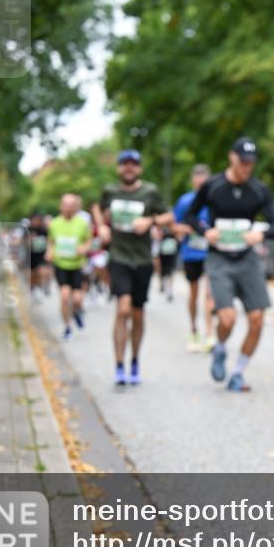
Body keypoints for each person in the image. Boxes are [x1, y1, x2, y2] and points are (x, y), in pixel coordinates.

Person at [185, 137, 274, 392]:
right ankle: (220, 348)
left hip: (247, 258)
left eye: (251, 163)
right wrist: (205, 231)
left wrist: (261, 234)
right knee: (227, 319)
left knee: (257, 319)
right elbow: (190, 215)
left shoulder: (258, 190)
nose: (246, 167)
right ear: (232, 157)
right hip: (219, 258)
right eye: (243, 162)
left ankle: (238, 372)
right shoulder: (213, 186)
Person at [92, 149, 174, 386]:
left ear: (139, 168)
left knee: (138, 314)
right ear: (119, 167)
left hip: (143, 260)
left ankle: (135, 360)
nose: (129, 168)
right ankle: (119, 364)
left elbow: (169, 217)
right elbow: (97, 207)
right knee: (123, 309)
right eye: (124, 164)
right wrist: (102, 226)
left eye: (133, 164)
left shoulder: (150, 192)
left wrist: (150, 220)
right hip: (119, 258)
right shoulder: (110, 191)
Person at [173, 164, 217, 352]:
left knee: (210, 294)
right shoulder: (185, 201)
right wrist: (187, 229)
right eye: (198, 183)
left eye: (203, 184)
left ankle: (209, 334)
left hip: (210, 252)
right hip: (191, 252)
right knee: (194, 293)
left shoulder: (214, 200)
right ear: (193, 182)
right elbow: (174, 226)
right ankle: (193, 330)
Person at [46, 194, 92, 339]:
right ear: (60, 206)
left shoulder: (82, 223)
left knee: (77, 299)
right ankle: (67, 327)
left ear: (76, 207)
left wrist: (84, 248)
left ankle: (77, 311)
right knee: (65, 297)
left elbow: (89, 241)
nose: (67, 208)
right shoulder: (54, 223)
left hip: (77, 265)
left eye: (70, 205)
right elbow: (51, 241)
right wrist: (49, 251)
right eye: (65, 205)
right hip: (61, 264)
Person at [27, 213, 50, 303]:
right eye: (34, 220)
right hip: (30, 256)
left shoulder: (44, 231)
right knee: (32, 276)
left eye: (38, 220)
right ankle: (32, 290)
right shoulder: (28, 230)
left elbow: (50, 241)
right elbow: (22, 242)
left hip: (41, 256)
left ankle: (39, 289)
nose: (36, 222)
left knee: (41, 272)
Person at [156, 226, 178, 303]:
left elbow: (178, 236)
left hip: (172, 252)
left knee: (170, 272)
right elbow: (156, 236)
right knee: (162, 270)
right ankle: (162, 283)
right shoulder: (161, 225)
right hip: (163, 253)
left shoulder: (174, 225)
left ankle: (170, 291)